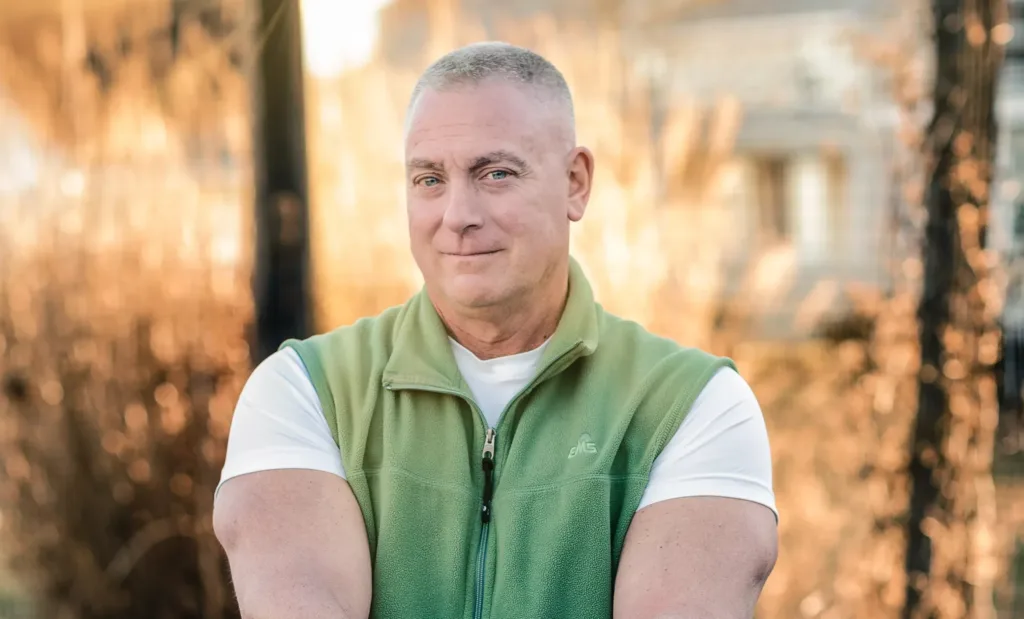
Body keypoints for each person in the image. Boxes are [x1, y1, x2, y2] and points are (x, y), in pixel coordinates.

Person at [213, 41, 778, 619]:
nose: (458, 214)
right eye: (429, 180)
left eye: (496, 173)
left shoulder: (691, 406)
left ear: (576, 183)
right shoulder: (305, 393)